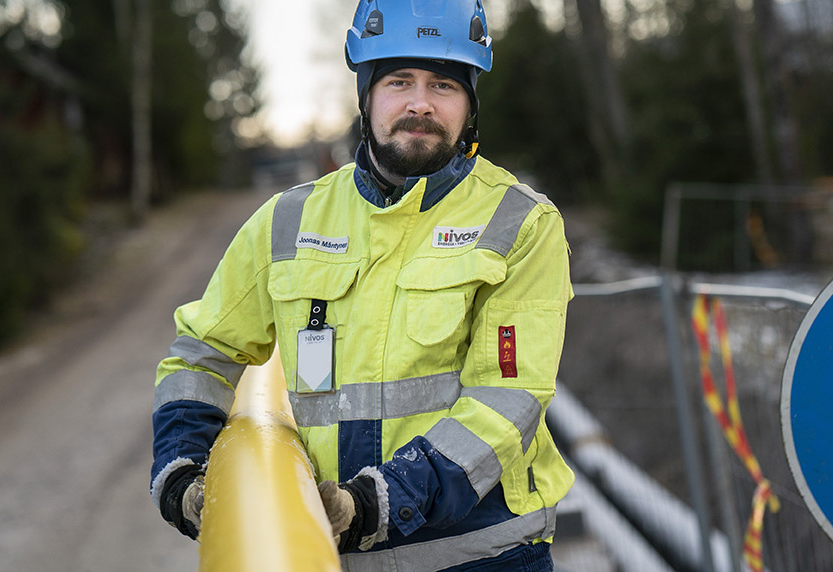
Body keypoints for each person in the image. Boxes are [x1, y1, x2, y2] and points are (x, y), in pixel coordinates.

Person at [150, 0, 575, 569]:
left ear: (470, 106)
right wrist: (181, 470)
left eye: (444, 85)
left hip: (486, 558)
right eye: (400, 80)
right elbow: (201, 354)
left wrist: (380, 500)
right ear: (366, 94)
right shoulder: (287, 223)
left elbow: (506, 397)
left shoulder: (520, 223)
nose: (420, 103)